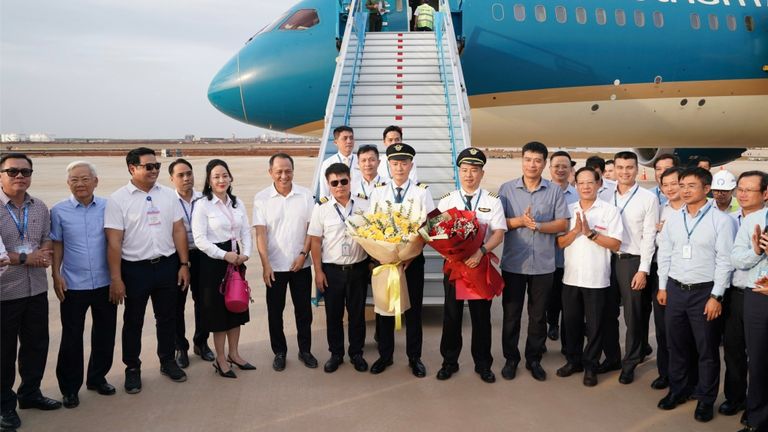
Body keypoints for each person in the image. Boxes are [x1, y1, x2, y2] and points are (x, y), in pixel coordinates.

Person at [104, 147, 191, 393]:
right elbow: (114, 242)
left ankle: (167, 361)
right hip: (135, 270)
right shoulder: (118, 199)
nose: (154, 170)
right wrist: (116, 278)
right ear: (132, 168)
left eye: (157, 166)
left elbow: (178, 230)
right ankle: (132, 368)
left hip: (167, 266)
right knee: (134, 321)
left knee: (167, 317)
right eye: (148, 166)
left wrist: (184, 264)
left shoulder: (168, 195)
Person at [657, 167, 736, 423]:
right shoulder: (673, 219)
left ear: (706, 189)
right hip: (675, 289)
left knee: (707, 349)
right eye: (682, 185)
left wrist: (716, 296)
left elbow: (725, 260)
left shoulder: (721, 221)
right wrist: (662, 286)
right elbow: (665, 254)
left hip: (704, 292)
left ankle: (705, 398)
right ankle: (678, 389)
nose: (685, 190)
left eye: (691, 185)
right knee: (676, 345)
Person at [498, 141, 569, 381]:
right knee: (511, 314)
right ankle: (511, 359)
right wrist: (519, 221)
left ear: (544, 163)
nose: (532, 165)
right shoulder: (506, 189)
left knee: (538, 316)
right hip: (514, 264)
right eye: (528, 160)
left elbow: (563, 223)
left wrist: (537, 225)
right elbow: (499, 223)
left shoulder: (554, 191)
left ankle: (534, 359)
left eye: (537, 161)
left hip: (544, 265)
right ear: (522, 161)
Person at [0, 153, 60, 430]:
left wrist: (45, 252)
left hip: (36, 289)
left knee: (36, 345)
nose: (20, 176)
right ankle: (4, 406)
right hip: (5, 292)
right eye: (12, 171)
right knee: (4, 353)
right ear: (1, 176)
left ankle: (30, 393)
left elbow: (46, 237)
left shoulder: (40, 207)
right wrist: (27, 258)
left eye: (25, 172)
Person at [435, 148, 506, 383]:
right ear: (459, 172)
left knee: (481, 318)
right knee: (451, 316)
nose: (469, 175)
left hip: (478, 265)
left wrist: (480, 251)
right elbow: (435, 231)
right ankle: (449, 362)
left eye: (474, 170)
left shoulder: (492, 201)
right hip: (454, 268)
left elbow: (499, 233)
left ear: (482, 173)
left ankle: (483, 364)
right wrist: (447, 253)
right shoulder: (447, 200)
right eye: (464, 170)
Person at [51, 161, 116, 409]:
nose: (80, 184)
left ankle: (97, 378)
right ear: (68, 183)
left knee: (105, 334)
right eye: (74, 180)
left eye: (85, 179)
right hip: (73, 284)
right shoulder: (59, 211)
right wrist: (56, 275)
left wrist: (118, 278)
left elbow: (115, 242)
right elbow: (57, 244)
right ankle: (69, 388)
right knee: (71, 338)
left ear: (95, 181)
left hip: (105, 282)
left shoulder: (108, 207)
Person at [368, 143, 434, 377]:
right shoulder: (378, 192)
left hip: (412, 262)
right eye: (395, 163)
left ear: (411, 165)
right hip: (385, 261)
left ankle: (414, 358)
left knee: (413, 311)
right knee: (384, 310)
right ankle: (385, 356)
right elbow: (372, 225)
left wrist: (411, 254)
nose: (399, 167)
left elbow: (430, 226)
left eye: (404, 163)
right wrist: (382, 254)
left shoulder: (422, 192)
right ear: (388, 165)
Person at [556, 167, 623, 387]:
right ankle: (573, 361)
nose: (585, 187)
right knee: (571, 323)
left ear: (599, 184)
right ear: (575, 186)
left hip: (597, 279)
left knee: (595, 327)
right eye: (581, 183)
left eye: (590, 182)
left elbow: (615, 244)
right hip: (571, 278)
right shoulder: (568, 210)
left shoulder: (609, 211)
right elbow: (560, 242)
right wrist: (576, 231)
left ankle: (591, 366)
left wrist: (590, 233)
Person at [253, 153, 318, 371]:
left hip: (301, 265)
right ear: (270, 172)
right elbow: (260, 234)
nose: (284, 176)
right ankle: (279, 352)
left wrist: (303, 254)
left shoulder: (305, 195)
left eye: (288, 171)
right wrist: (265, 265)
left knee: (304, 312)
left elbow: (311, 229)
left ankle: (305, 350)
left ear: (293, 171)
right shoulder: (262, 198)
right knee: (275, 312)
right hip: (274, 267)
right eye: (279, 171)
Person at [600, 151, 658, 385]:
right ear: (613, 169)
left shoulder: (647, 198)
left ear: (636, 169)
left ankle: (631, 361)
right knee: (607, 312)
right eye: (620, 167)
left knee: (633, 316)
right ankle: (612, 357)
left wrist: (643, 270)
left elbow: (649, 236)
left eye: (629, 167)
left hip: (631, 261)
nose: (624, 172)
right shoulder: (604, 195)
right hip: (606, 259)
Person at [192, 159, 253, 378]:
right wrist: (224, 255)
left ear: (230, 178)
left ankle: (234, 354)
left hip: (236, 260)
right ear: (209, 181)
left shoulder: (237, 203)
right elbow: (200, 240)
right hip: (214, 263)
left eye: (225, 175)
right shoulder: (202, 205)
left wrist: (246, 253)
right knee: (219, 315)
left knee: (236, 308)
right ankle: (220, 359)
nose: (221, 180)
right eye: (216, 176)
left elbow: (246, 231)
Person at [308, 163, 370, 373]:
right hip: (332, 271)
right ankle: (336, 354)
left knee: (357, 315)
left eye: (344, 181)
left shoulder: (364, 204)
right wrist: (318, 272)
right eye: (334, 183)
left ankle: (356, 353)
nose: (340, 186)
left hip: (358, 268)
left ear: (350, 180)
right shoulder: (322, 208)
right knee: (333, 316)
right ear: (328, 184)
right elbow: (315, 241)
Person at [722, 171, 768, 424]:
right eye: (740, 189)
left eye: (749, 190)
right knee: (754, 358)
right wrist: (757, 251)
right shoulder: (753, 221)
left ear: (765, 193)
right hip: (753, 298)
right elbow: (737, 259)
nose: (742, 194)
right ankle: (755, 415)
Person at [168, 158, 213, 368]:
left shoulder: (205, 198)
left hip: (202, 255)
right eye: (181, 175)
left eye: (189, 173)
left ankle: (201, 342)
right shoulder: (168, 201)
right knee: (176, 304)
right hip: (177, 258)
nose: (186, 178)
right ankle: (181, 347)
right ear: (172, 179)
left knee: (204, 302)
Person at [648, 167, 686, 391]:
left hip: (688, 279)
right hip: (663, 277)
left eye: (675, 183)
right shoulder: (661, 210)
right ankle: (665, 373)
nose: (670, 188)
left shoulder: (696, 210)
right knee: (663, 330)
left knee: (684, 333)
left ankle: (686, 378)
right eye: (665, 185)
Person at [546, 151, 579, 348]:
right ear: (549, 168)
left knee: (568, 298)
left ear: (570, 169)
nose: (560, 169)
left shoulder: (578, 194)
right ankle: (552, 323)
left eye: (564, 166)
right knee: (549, 296)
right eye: (556, 166)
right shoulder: (543, 192)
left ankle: (569, 341)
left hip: (570, 257)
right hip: (547, 256)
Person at [318, 126, 360, 198]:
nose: (349, 141)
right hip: (336, 203)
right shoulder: (328, 163)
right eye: (345, 138)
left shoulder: (361, 161)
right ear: (335, 142)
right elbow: (324, 190)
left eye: (351, 138)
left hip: (359, 202)